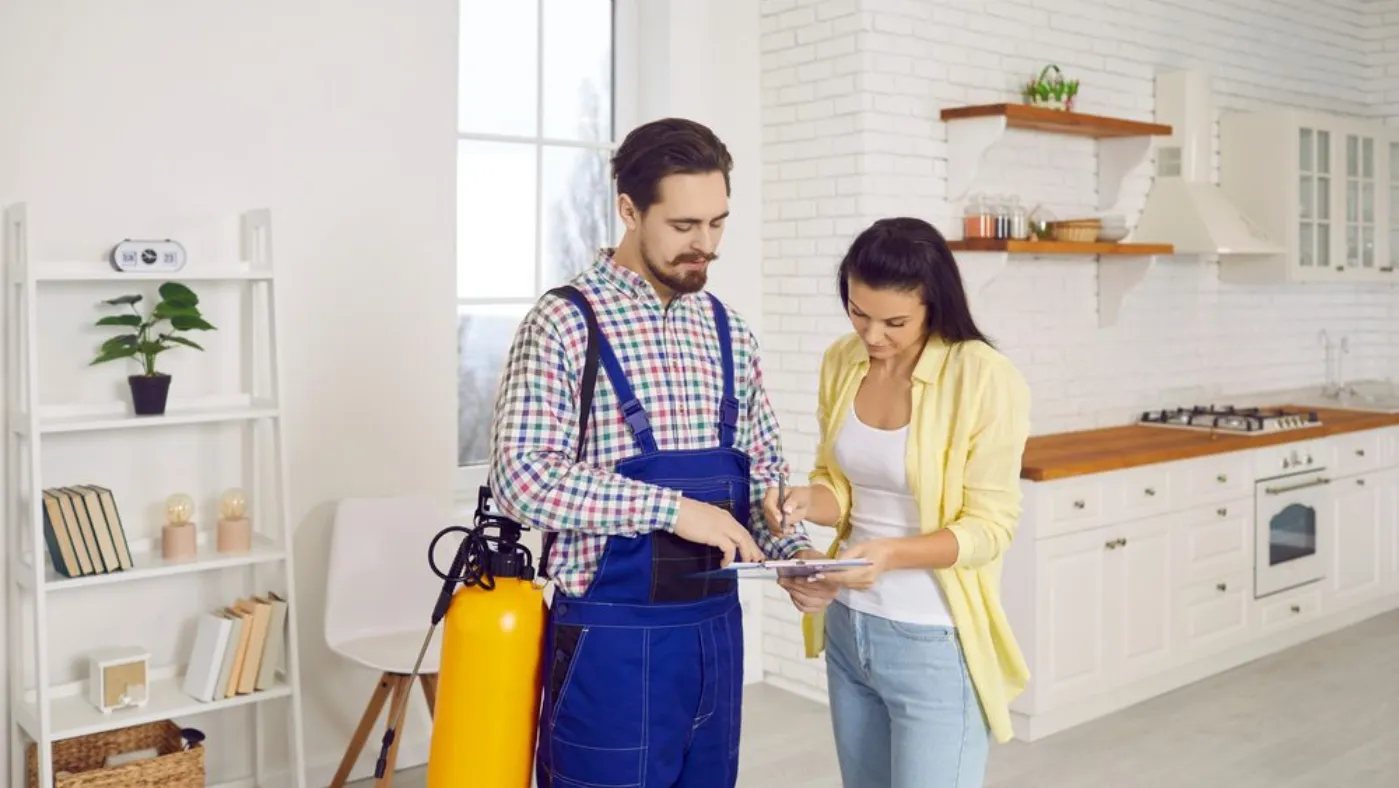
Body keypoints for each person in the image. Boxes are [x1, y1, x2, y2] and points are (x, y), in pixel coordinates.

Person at [487, 117, 826, 788]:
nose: (705, 245)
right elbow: (520, 479)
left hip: (714, 642)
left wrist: (796, 556)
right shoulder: (563, 323)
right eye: (683, 226)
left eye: (717, 223)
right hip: (610, 649)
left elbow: (763, 479)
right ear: (628, 209)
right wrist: (673, 510)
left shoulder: (729, 332)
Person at [766, 217, 1033, 788]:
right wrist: (801, 501)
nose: (872, 334)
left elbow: (991, 527)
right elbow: (838, 484)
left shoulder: (983, 377)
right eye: (859, 312)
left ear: (934, 306)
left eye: (894, 322)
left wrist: (888, 555)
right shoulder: (844, 361)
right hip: (849, 628)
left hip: (933, 639)